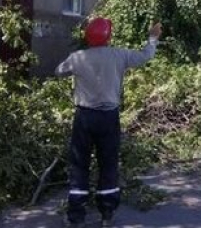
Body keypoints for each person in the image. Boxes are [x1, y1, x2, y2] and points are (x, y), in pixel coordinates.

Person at [56, 18, 162, 227]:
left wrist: (76, 66)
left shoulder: (78, 57)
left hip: (84, 117)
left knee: (79, 165)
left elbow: (59, 71)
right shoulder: (119, 55)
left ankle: (76, 217)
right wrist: (152, 38)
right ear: (108, 37)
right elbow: (146, 56)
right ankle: (106, 214)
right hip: (108, 117)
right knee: (109, 163)